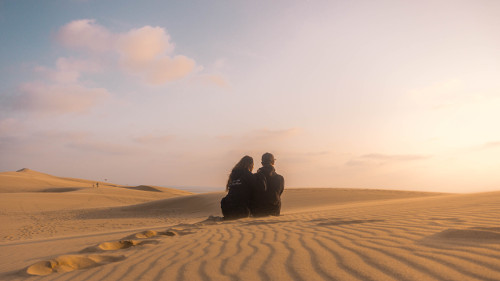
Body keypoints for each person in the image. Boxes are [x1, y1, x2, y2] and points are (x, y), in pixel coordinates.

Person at [220, 156, 256, 220]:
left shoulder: (233, 174)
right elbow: (256, 189)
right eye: (253, 165)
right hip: (241, 210)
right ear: (250, 164)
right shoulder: (248, 175)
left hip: (226, 209)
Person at [251, 152, 285, 217]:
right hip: (274, 211)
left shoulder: (255, 176)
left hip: (257, 211)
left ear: (262, 163)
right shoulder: (280, 178)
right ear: (273, 162)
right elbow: (279, 193)